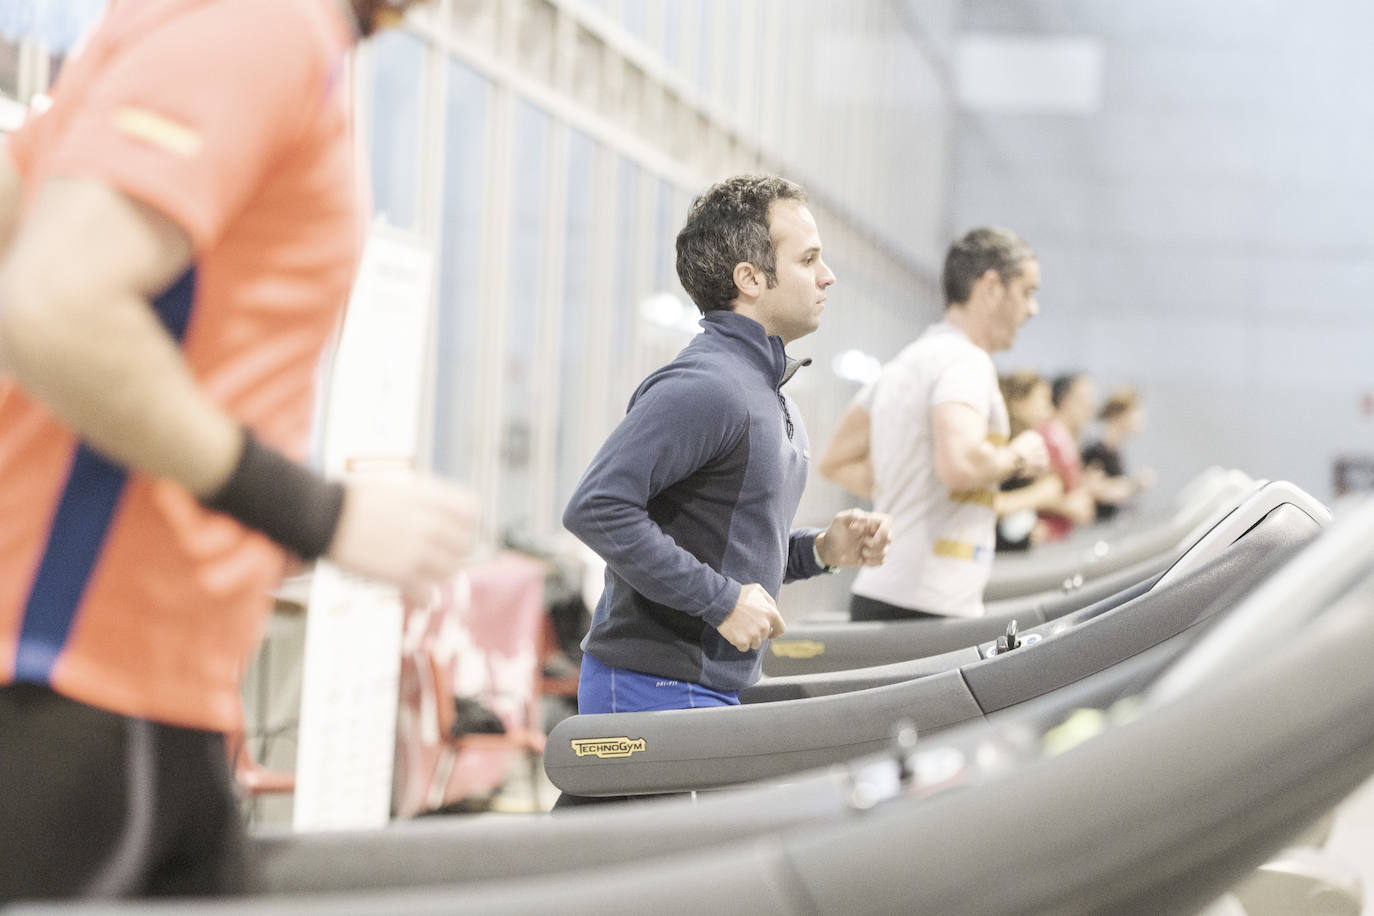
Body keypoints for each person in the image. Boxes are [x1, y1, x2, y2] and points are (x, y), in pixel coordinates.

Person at [0, 0, 475, 900]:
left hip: (149, 686)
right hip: (75, 674)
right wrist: (322, 515)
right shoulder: (265, 26)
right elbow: (52, 302)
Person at [561, 175, 891, 727]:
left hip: (703, 686)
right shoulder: (707, 385)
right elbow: (596, 507)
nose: (827, 277)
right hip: (654, 686)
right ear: (751, 278)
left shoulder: (761, 389)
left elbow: (725, 544)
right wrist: (720, 602)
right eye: (809, 259)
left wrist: (822, 551)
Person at [818, 227, 1049, 621]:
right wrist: (1019, 456)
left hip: (887, 592)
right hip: (926, 603)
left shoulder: (907, 362)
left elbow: (835, 461)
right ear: (991, 286)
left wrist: (909, 485)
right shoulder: (967, 361)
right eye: (1027, 292)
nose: (1033, 309)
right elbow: (961, 465)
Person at [994, 370, 1094, 551]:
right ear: (1018, 403)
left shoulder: (1031, 445)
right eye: (1043, 402)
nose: (1049, 411)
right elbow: (989, 504)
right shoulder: (1006, 447)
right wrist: (1043, 497)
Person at [1036, 372, 1100, 542]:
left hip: (1061, 539)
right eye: (1084, 400)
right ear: (1065, 401)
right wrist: (1066, 506)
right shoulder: (1047, 438)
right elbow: (1035, 491)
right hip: (1045, 542)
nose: (1091, 407)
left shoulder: (1067, 440)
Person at [1082, 384, 1155, 522]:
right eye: (1135, 411)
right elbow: (1096, 491)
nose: (1141, 418)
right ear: (1118, 414)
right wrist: (1135, 485)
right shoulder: (1096, 452)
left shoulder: (1114, 452)